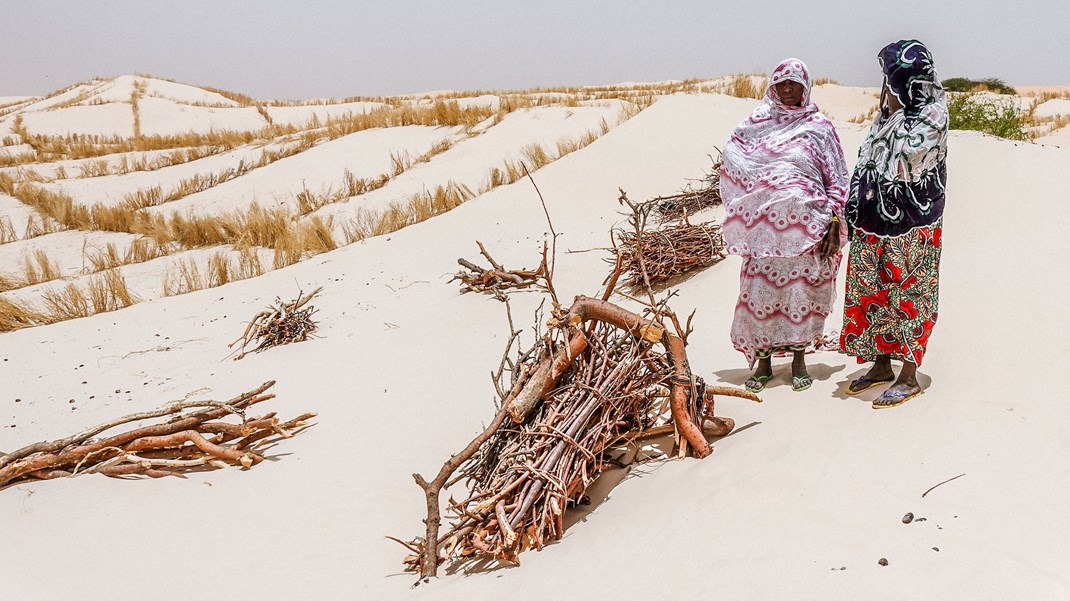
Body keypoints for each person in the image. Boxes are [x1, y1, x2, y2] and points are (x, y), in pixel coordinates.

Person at [720, 58, 849, 393]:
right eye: (782, 83)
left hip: (807, 230)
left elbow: (837, 177)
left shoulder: (820, 127)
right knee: (760, 295)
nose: (788, 89)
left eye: (795, 84)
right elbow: (735, 156)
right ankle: (762, 363)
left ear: (806, 87)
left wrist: (835, 220)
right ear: (772, 86)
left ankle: (799, 362)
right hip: (762, 232)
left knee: (799, 296)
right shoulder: (756, 122)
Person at [840, 40, 948, 409]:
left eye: (890, 78)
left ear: (906, 80)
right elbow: (867, 161)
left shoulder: (931, 116)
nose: (885, 87)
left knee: (910, 296)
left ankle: (908, 374)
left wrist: (896, 112)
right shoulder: (887, 117)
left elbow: (909, 161)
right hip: (872, 226)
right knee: (873, 294)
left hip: (914, 228)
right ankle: (881, 364)